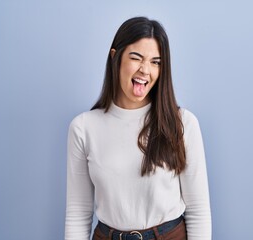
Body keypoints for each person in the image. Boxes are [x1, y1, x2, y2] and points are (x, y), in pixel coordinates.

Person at [65, 16, 211, 240]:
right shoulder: (83, 128)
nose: (145, 70)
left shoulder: (183, 123)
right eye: (136, 58)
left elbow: (198, 211)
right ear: (115, 57)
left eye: (156, 62)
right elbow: (78, 214)